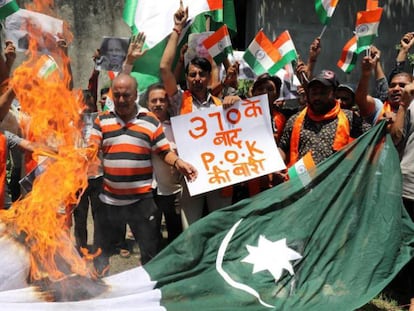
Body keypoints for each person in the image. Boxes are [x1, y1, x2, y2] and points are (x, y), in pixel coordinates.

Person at [89, 73, 197, 275]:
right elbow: (91, 148)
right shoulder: (102, 120)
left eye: (126, 95)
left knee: (150, 256)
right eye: (117, 95)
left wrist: (179, 162)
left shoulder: (150, 120)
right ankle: (98, 295)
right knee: (100, 257)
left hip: (142, 203)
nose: (121, 100)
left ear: (135, 95)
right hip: (108, 202)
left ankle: (149, 295)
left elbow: (164, 150)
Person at [159, 3, 238, 228]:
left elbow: (240, 125)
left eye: (201, 74)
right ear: (186, 77)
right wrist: (177, 30)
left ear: (207, 77)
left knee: (220, 229)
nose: (196, 78)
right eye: (192, 74)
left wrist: (236, 102)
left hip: (220, 177)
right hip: (190, 177)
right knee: (190, 231)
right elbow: (165, 68)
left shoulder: (219, 104)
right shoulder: (178, 101)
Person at [279, 70, 370, 167]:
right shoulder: (295, 119)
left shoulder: (351, 118)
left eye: (323, 93)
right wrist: (277, 166)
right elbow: (282, 148)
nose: (317, 97)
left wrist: (385, 121)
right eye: (314, 93)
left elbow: (373, 136)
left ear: (335, 93)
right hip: (301, 180)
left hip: (335, 180)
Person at [146, 83, 183, 243]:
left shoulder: (178, 125)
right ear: (147, 103)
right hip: (148, 190)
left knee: (175, 231)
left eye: (162, 100)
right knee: (150, 232)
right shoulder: (139, 126)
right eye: (154, 101)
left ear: (168, 103)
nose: (158, 104)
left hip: (173, 189)